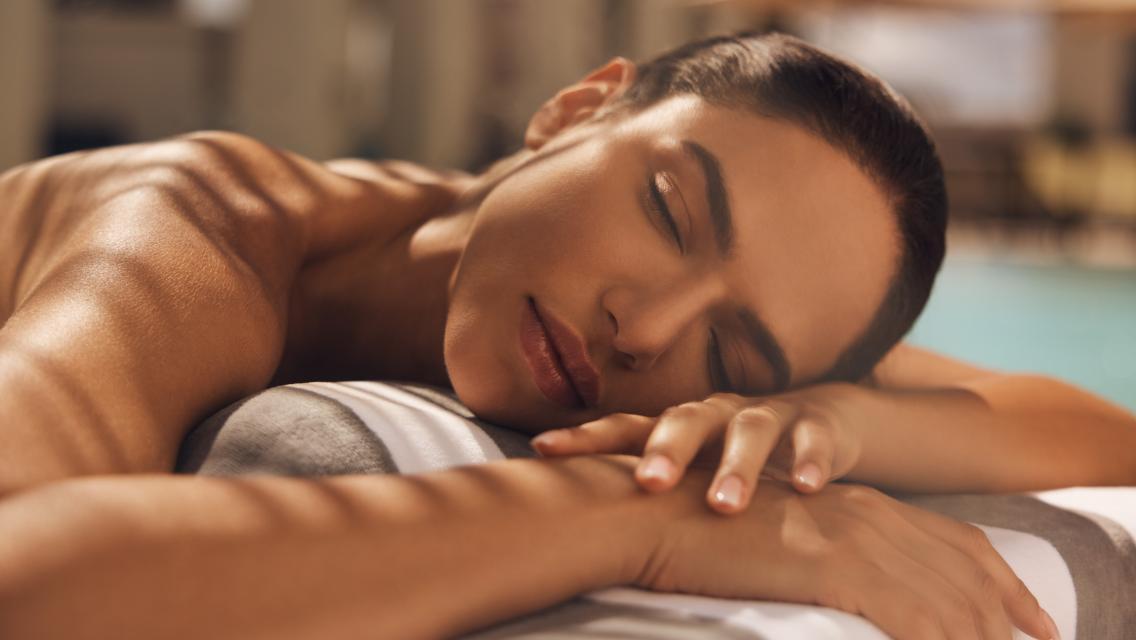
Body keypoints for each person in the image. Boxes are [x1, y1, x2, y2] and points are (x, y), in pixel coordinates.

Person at [0, 30, 1126, 639]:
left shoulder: (708, 357)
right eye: (668, 209)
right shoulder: (190, 235)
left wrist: (824, 417)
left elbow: (1096, 435)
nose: (644, 326)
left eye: (733, 354)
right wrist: (639, 520)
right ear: (578, 109)